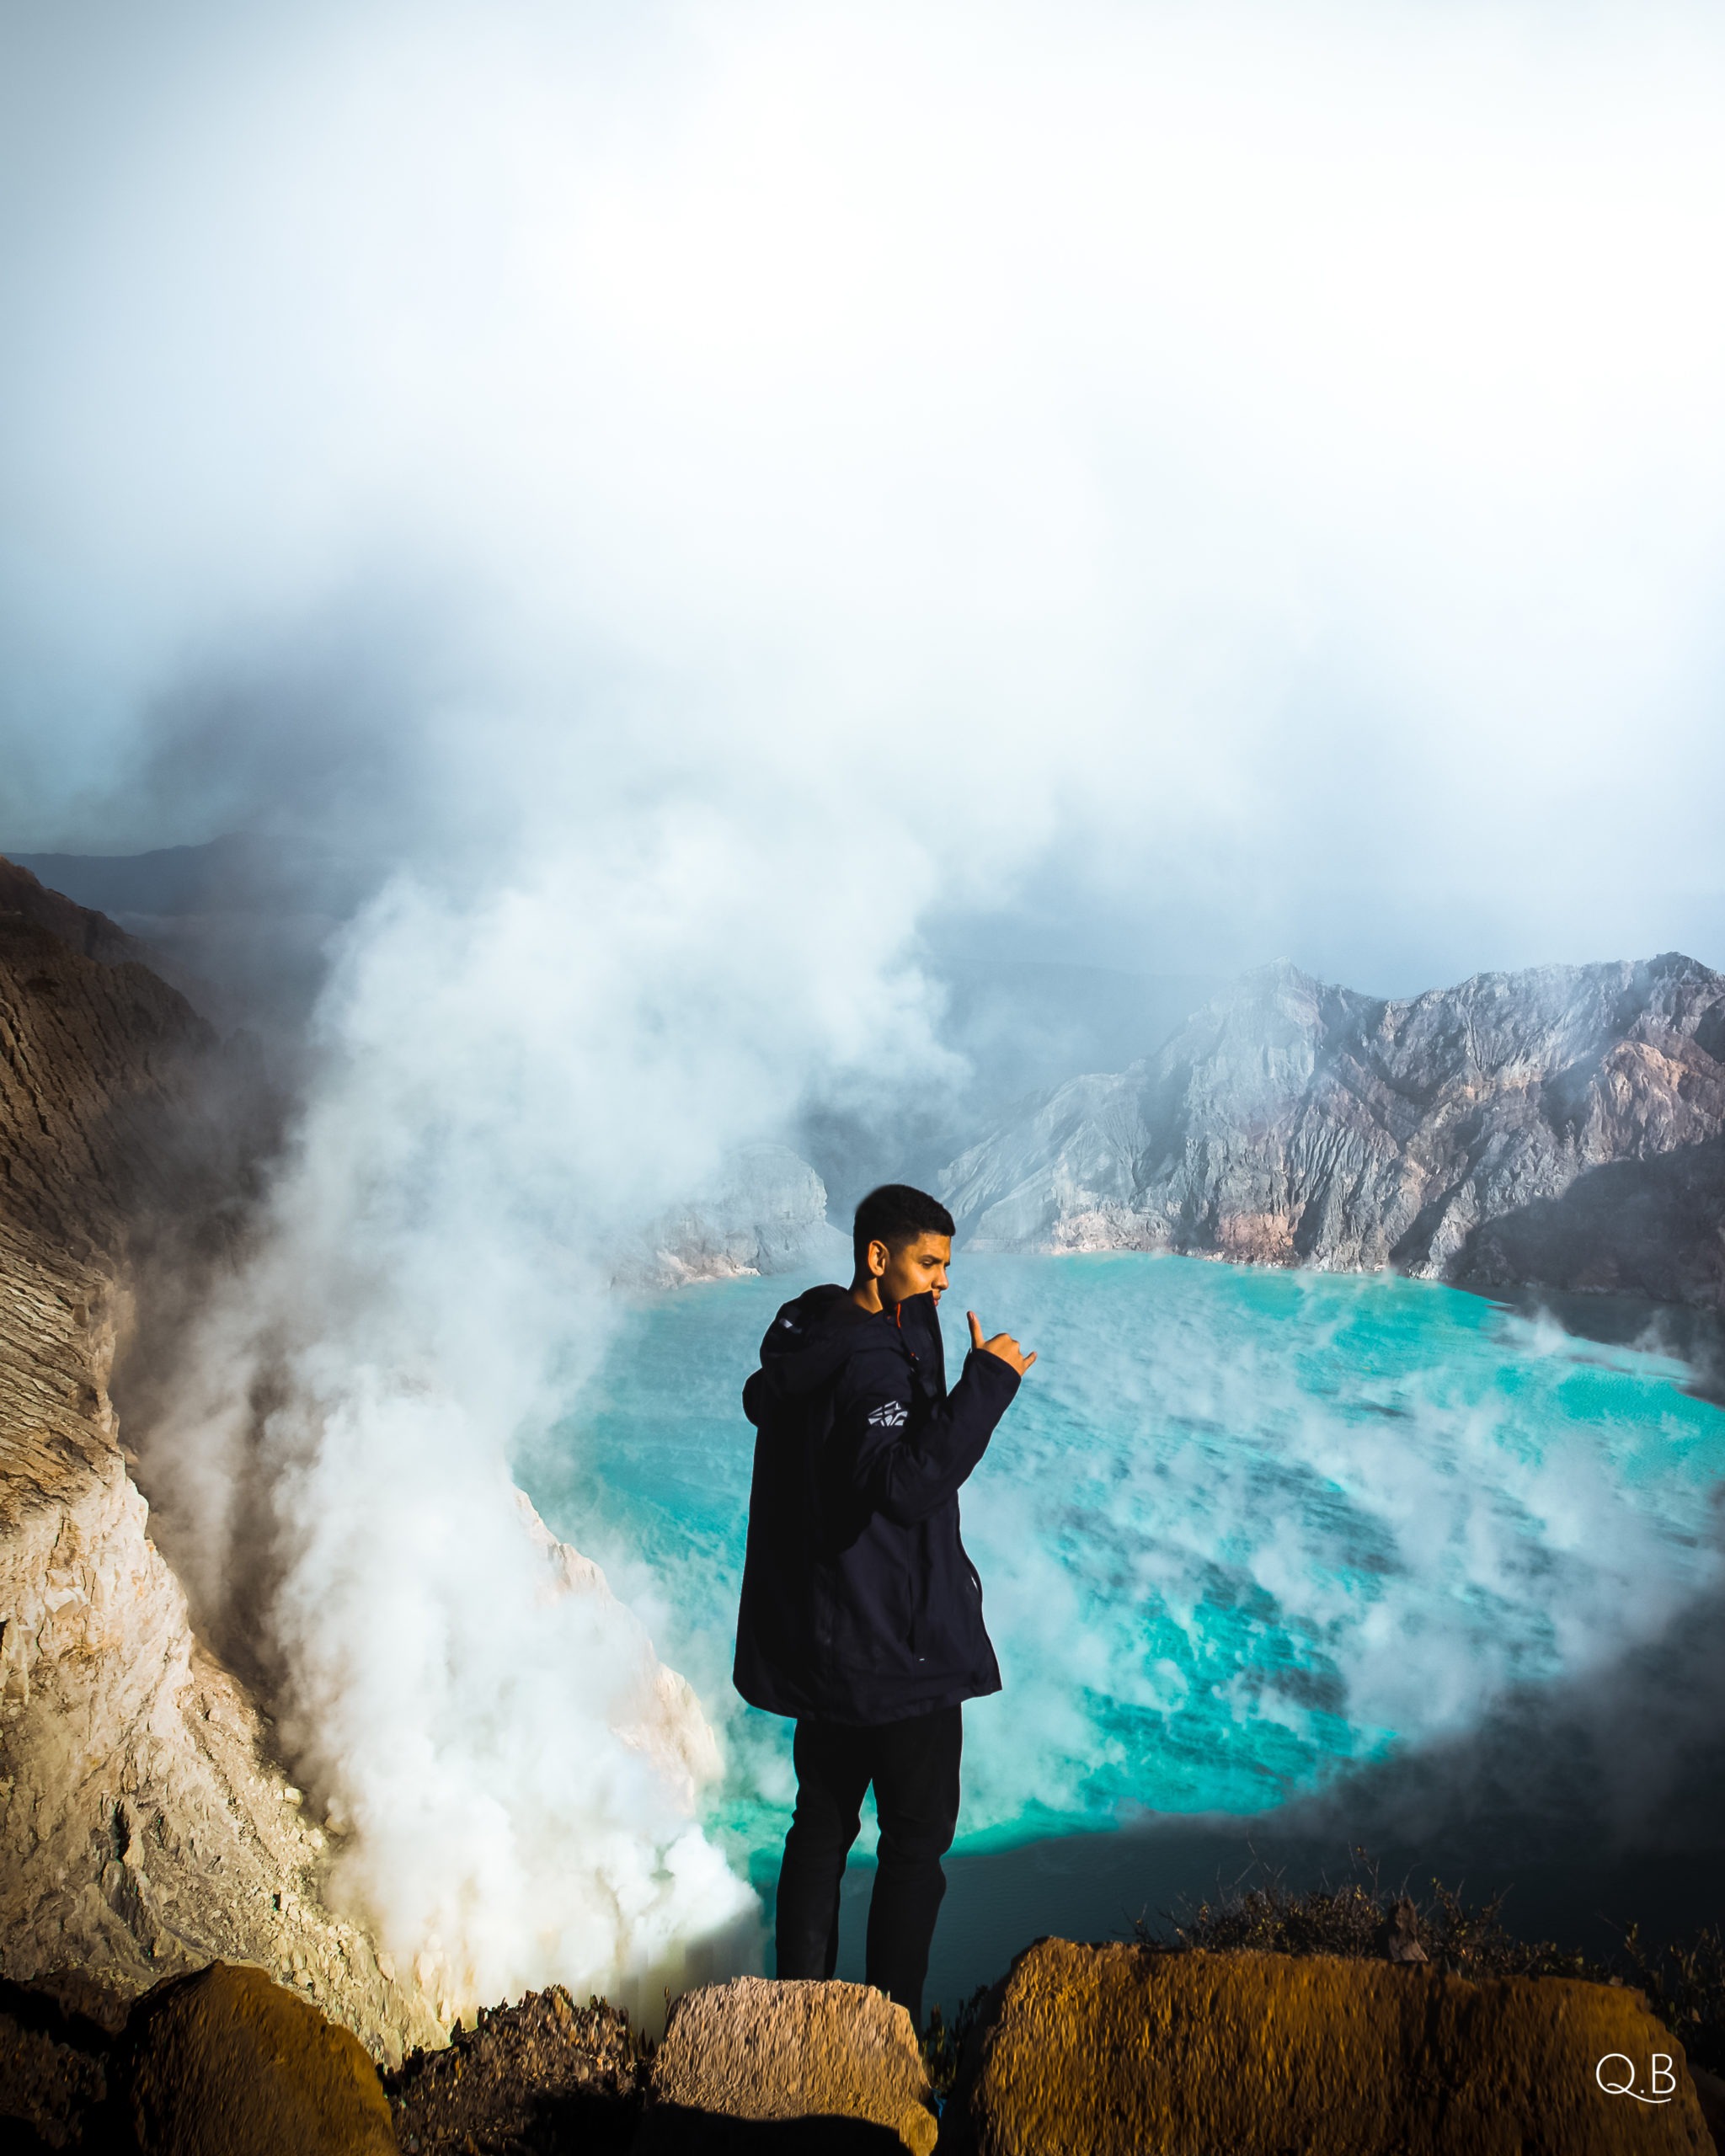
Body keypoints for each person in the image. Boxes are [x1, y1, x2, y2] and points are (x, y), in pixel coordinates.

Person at [733, 1182, 1034, 2029]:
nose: (942, 1280)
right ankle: (888, 2036)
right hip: (899, 1656)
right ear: (878, 1256)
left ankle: (797, 2023)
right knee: (912, 1849)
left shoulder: (830, 1332)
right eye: (928, 1262)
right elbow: (900, 1485)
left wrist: (941, 1373)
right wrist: (987, 1384)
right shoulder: (870, 1358)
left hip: (827, 1647)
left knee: (819, 1830)